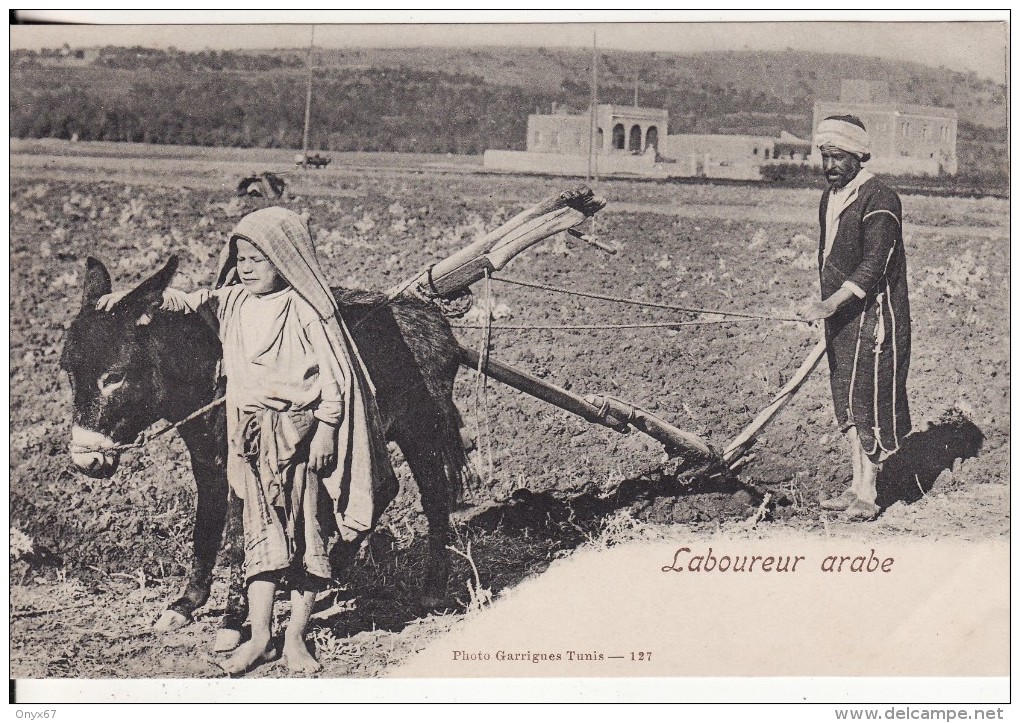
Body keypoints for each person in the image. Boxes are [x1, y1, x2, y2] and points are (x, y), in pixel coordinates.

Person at [101, 206, 395, 674]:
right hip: (252, 438)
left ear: (289, 258)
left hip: (299, 435)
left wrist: (326, 429)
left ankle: (295, 638)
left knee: (304, 535)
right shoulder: (234, 302)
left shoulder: (307, 310)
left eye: (259, 257)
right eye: (241, 257)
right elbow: (189, 300)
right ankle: (259, 636)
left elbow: (336, 377)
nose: (247, 266)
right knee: (260, 537)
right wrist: (126, 299)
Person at [800, 115, 911, 522]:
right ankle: (855, 486)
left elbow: (874, 264)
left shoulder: (880, 197)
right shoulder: (830, 197)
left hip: (874, 314)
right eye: (825, 157)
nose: (830, 166)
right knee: (845, 398)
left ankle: (870, 493)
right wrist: (828, 304)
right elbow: (828, 255)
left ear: (859, 155)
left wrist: (833, 302)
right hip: (842, 314)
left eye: (839, 158)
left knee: (869, 400)